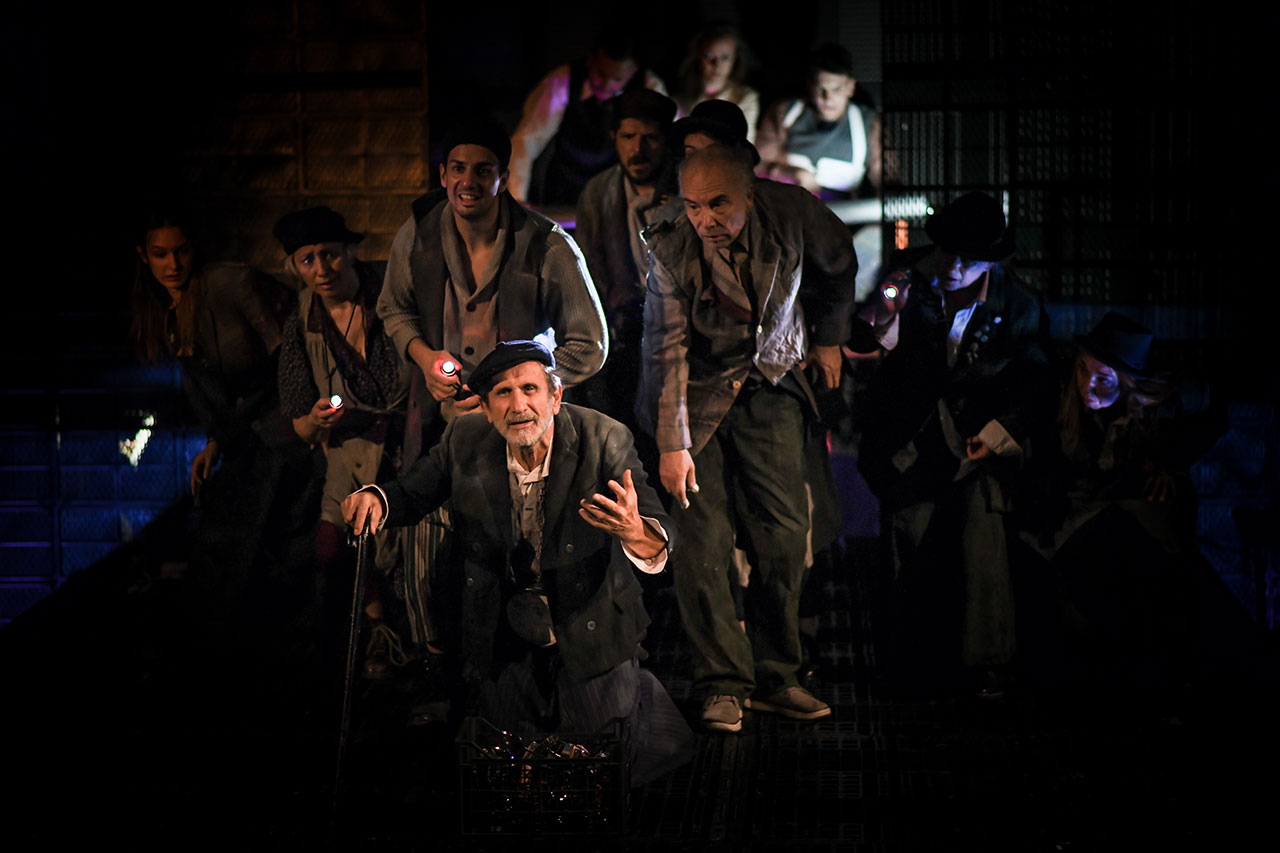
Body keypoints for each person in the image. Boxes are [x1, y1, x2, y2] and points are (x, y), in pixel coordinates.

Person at [341, 341, 694, 785]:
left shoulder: (604, 437)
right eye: (503, 393)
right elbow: (413, 491)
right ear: (487, 409)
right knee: (509, 768)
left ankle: (636, 693)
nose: (519, 405)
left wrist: (634, 530)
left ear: (556, 397)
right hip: (505, 628)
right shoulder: (465, 438)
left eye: (530, 389)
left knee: (604, 763)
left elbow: (661, 530)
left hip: (588, 622)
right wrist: (377, 498)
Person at [643, 145, 856, 732]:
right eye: (693, 206)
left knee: (785, 533)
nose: (705, 220)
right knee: (703, 542)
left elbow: (839, 263)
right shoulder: (669, 241)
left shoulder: (793, 213)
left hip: (771, 380)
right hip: (697, 393)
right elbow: (665, 348)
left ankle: (777, 674)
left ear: (749, 195)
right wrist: (673, 444)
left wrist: (830, 336)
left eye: (718, 205)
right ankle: (721, 682)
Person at [850, 191, 1052, 697]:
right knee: (906, 535)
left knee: (983, 539)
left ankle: (988, 663)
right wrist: (884, 314)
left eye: (968, 258)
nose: (953, 266)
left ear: (990, 261)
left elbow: (1035, 382)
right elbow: (864, 340)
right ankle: (903, 663)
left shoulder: (1018, 304)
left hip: (977, 440)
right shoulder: (908, 276)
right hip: (910, 434)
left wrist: (1000, 431)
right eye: (947, 252)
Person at [130, 206, 319, 670]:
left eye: (181, 251)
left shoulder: (230, 283)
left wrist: (278, 428)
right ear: (144, 256)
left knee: (270, 528)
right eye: (160, 254)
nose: (173, 264)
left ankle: (283, 650)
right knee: (225, 526)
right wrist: (215, 441)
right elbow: (209, 389)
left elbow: (289, 359)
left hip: (285, 419)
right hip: (245, 430)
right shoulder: (162, 311)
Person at [376, 116, 608, 460]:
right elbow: (393, 307)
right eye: (458, 169)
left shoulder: (547, 245)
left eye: (483, 171)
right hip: (437, 424)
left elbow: (591, 344)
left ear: (503, 180)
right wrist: (425, 359)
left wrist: (519, 386)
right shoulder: (417, 233)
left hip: (521, 429)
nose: (468, 182)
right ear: (443, 175)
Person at [273, 205, 416, 676]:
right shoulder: (303, 321)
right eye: (307, 259)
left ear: (351, 252)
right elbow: (299, 420)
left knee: (406, 547)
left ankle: (417, 644)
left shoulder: (391, 294)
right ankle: (374, 633)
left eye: (330, 254)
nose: (321, 269)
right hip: (349, 449)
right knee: (336, 542)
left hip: (408, 438)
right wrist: (317, 419)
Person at [573, 89, 682, 432]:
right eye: (628, 137)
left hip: (678, 336)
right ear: (613, 138)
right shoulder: (598, 193)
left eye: (650, 138)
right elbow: (589, 275)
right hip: (622, 333)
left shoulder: (687, 188)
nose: (638, 149)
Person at [508, 31, 668, 205]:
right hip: (564, 190)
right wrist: (516, 199)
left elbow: (669, 144)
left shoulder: (649, 86)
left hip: (619, 192)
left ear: (633, 71)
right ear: (590, 60)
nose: (606, 86)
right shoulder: (562, 82)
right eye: (600, 74)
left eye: (617, 79)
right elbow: (526, 141)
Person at [755, 43, 884, 200]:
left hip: (844, 211)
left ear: (850, 87)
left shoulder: (870, 124)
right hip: (789, 205)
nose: (827, 98)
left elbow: (885, 176)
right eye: (820, 89)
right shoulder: (784, 114)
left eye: (836, 89)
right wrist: (793, 173)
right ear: (810, 85)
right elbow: (757, 164)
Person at [673, 24, 760, 143]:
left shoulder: (746, 98)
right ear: (698, 56)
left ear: (735, 59)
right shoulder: (681, 97)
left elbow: (746, 143)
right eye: (709, 56)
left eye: (725, 57)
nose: (717, 65)